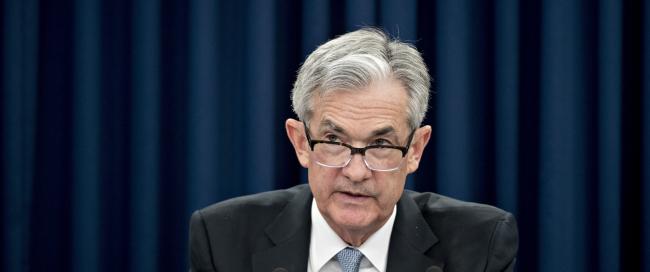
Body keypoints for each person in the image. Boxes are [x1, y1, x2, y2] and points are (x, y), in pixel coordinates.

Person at [188, 28, 518, 272]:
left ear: (415, 150)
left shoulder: (481, 244)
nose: (356, 172)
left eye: (381, 145)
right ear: (301, 142)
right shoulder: (222, 239)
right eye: (333, 141)